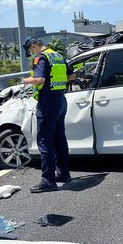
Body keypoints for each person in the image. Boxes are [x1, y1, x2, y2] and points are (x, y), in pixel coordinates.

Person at [22, 37, 73, 192]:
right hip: (60, 100)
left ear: (33, 46)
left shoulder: (41, 57)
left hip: (47, 103)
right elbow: (71, 77)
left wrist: (25, 80)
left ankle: (48, 181)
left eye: (30, 50)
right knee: (59, 139)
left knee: (45, 142)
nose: (31, 54)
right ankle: (64, 174)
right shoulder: (57, 56)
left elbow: (40, 79)